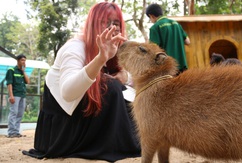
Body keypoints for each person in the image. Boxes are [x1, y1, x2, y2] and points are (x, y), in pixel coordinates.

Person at [22, 2, 141, 162]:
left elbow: (136, 81)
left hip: (84, 123)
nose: (111, 28)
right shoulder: (75, 47)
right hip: (60, 132)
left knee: (122, 90)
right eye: (105, 22)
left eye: (116, 23)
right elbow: (68, 92)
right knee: (111, 87)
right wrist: (100, 59)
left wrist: (125, 76)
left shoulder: (116, 49)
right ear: (93, 24)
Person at [146, 3, 190, 73]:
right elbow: (188, 42)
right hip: (182, 66)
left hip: (168, 68)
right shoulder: (177, 24)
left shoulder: (155, 28)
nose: (151, 21)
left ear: (151, 16)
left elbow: (153, 49)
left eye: (149, 19)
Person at [5, 54, 30, 138]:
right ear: (18, 60)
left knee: (20, 113)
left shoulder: (22, 72)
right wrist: (11, 96)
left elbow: (28, 81)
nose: (24, 62)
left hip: (22, 95)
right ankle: (11, 132)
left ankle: (16, 131)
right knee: (13, 112)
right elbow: (9, 84)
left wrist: (23, 71)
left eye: (25, 60)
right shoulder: (11, 70)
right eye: (22, 60)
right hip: (15, 95)